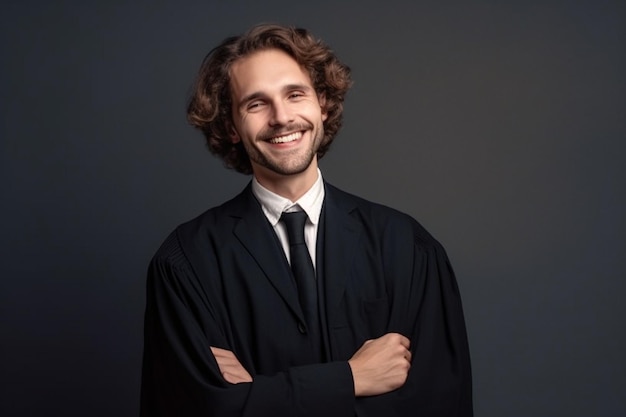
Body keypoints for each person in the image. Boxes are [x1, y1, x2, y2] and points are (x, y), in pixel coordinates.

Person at [140, 23, 473, 417]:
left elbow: (437, 405)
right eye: (256, 104)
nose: (282, 118)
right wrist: (351, 377)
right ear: (231, 126)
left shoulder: (408, 246)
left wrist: (257, 397)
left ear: (324, 104)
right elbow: (194, 410)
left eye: (295, 94)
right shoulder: (186, 262)